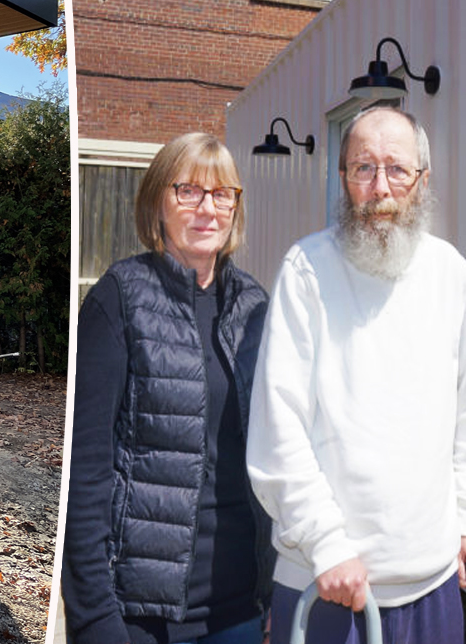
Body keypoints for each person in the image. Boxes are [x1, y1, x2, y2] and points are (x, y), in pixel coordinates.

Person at [246, 105, 466, 643]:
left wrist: (460, 519)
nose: (380, 188)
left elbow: (460, 418)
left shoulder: (450, 272)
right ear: (343, 179)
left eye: (396, 168)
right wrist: (327, 546)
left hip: (432, 584)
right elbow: (279, 429)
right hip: (330, 584)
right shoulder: (308, 269)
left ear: (423, 180)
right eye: (363, 168)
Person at [63, 132, 274, 644]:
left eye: (222, 194)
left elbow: (274, 455)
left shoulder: (255, 308)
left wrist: (276, 592)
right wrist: (94, 618)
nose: (208, 208)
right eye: (189, 191)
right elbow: (85, 472)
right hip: (141, 618)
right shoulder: (120, 299)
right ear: (158, 200)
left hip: (241, 611)